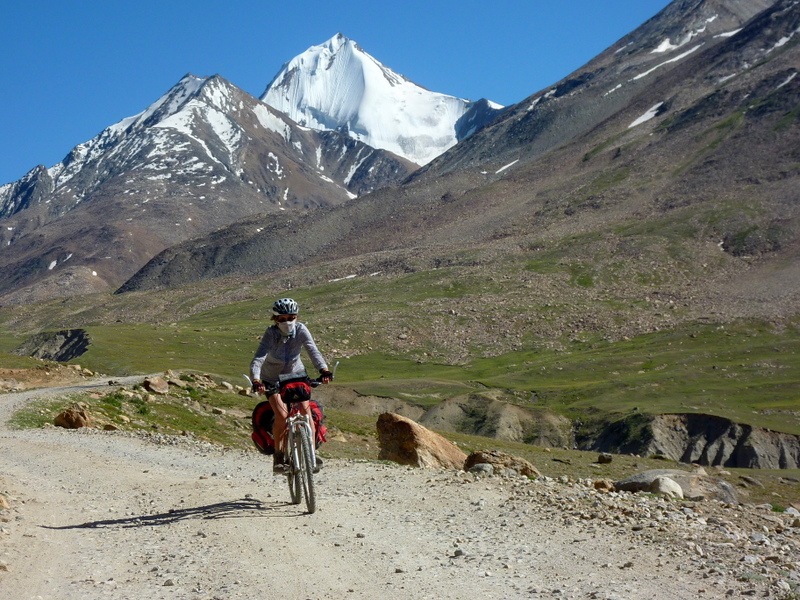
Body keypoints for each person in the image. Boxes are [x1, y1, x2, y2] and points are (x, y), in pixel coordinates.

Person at [250, 297, 333, 472]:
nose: (288, 321)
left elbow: (312, 350)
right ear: (275, 319)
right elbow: (259, 358)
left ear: (296, 317)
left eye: (291, 317)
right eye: (283, 318)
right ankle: (279, 457)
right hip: (272, 378)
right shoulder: (271, 334)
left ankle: (310, 453)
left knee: (305, 410)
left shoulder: (302, 330)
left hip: (296, 374)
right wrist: (256, 380)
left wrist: (324, 369)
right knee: (281, 415)